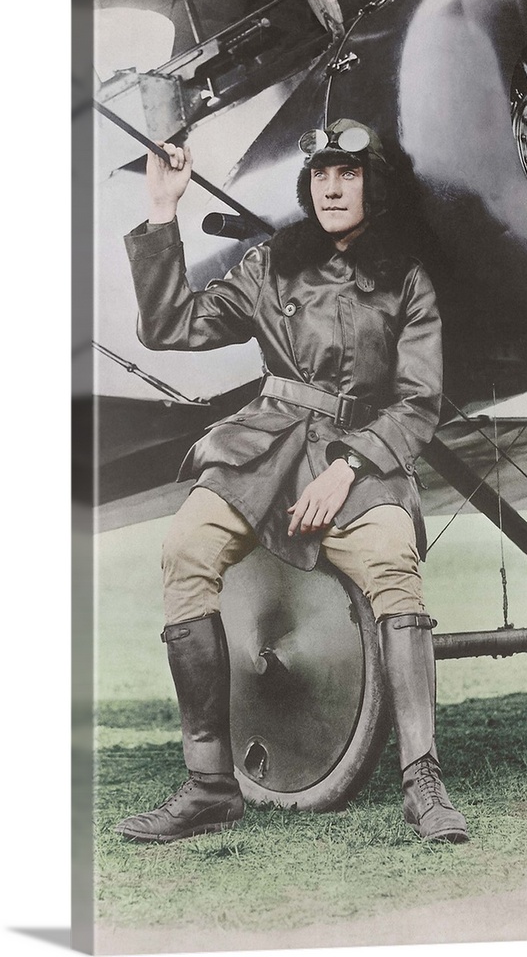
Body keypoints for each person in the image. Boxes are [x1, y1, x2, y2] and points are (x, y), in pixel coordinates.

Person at [116, 118, 468, 845]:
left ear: (374, 182)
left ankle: (423, 782)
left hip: (362, 460)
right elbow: (172, 326)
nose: (332, 187)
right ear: (307, 187)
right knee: (185, 550)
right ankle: (210, 784)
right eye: (319, 176)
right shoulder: (271, 262)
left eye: (348, 173)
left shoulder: (406, 277)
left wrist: (347, 469)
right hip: (262, 447)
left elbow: (419, 402)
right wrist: (163, 210)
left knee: (394, 568)